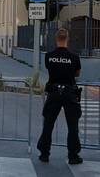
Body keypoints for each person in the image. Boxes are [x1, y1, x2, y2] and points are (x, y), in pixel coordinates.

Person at [37, 28, 83, 165]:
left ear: (56, 39)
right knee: (73, 125)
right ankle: (73, 156)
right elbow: (77, 73)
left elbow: (49, 69)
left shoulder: (49, 56)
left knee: (48, 124)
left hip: (54, 92)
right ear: (67, 39)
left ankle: (44, 154)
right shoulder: (74, 57)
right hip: (69, 92)